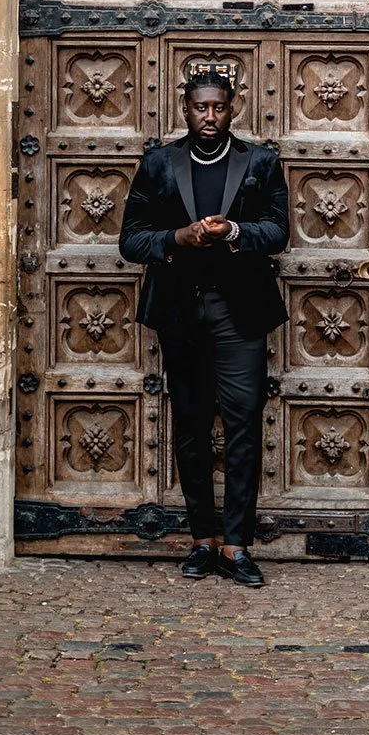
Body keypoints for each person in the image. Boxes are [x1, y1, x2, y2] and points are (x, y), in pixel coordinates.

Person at [119, 60, 289, 588]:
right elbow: (131, 240)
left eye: (218, 107)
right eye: (200, 107)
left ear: (231, 108)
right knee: (191, 427)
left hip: (240, 313)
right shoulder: (159, 164)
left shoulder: (260, 162)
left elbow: (278, 231)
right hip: (180, 311)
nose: (210, 116)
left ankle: (237, 547)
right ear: (185, 110)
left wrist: (234, 230)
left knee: (241, 426)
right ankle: (201, 541)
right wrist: (179, 239)